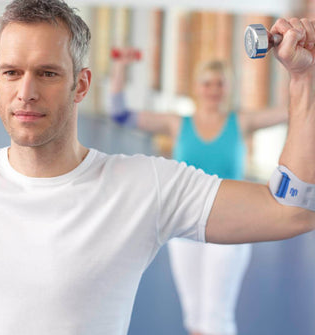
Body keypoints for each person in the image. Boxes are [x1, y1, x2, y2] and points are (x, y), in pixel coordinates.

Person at [0, 1, 315, 334]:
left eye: (48, 73)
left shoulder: (144, 186)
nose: (27, 91)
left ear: (81, 84)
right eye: (11, 72)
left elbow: (295, 209)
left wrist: (307, 79)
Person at [110, 57, 287, 335]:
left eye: (220, 84)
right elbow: (120, 114)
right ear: (196, 87)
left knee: (217, 317)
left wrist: (289, 66)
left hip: (232, 225)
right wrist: (120, 67)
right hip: (185, 228)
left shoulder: (241, 121)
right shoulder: (177, 123)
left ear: (229, 88)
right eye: (207, 83)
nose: (213, 90)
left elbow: (289, 111)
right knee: (194, 317)